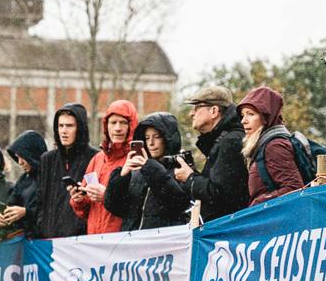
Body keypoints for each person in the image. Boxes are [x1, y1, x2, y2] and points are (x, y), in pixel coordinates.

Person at [172, 86, 249, 222]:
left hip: (226, 230)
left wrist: (189, 178)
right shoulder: (227, 139)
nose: (191, 113)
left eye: (196, 107)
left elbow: (220, 194)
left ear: (214, 111)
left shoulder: (230, 141)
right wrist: (193, 174)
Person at [104, 112, 190, 230]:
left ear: (167, 138)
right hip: (133, 242)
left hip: (162, 242)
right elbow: (114, 207)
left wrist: (150, 168)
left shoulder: (182, 168)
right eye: (147, 138)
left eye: (157, 137)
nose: (151, 143)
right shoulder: (137, 171)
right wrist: (122, 176)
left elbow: (178, 203)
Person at [70, 99, 138, 235]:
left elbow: (137, 207)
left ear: (132, 126)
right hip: (95, 241)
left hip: (123, 240)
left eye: (123, 123)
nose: (118, 128)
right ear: (106, 126)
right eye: (113, 123)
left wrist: (107, 196)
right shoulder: (97, 159)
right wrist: (79, 199)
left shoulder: (136, 159)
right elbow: (85, 210)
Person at [37, 103, 98, 239]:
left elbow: (96, 203)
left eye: (69, 126)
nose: (64, 131)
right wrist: (42, 226)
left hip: (80, 241)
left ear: (80, 128)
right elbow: (40, 201)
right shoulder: (47, 159)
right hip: (49, 242)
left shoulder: (95, 158)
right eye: (60, 126)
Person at [238, 86, 305, 205]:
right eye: (243, 115)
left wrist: (257, 203)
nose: (244, 120)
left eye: (251, 114)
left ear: (266, 118)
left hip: (279, 219)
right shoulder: (264, 144)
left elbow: (293, 188)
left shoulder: (274, 146)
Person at [0, 130, 47, 239]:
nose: (20, 162)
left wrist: (26, 213)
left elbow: (53, 213)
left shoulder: (51, 177)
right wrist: (2, 217)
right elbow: (11, 203)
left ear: (33, 154)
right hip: (26, 242)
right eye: (17, 157)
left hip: (45, 243)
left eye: (23, 157)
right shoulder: (23, 179)